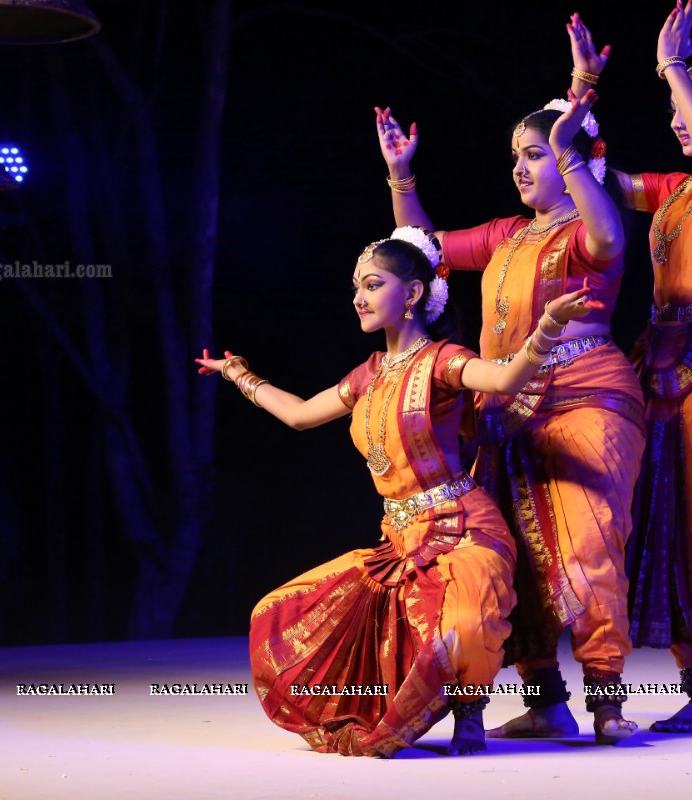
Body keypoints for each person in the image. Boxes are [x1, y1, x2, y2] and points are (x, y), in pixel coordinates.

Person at [195, 226, 600, 756]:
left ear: (411, 295)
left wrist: (548, 325)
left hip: (464, 533)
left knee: (463, 620)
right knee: (283, 611)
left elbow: (502, 382)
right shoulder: (367, 374)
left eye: (372, 284)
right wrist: (240, 376)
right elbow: (298, 416)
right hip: (400, 542)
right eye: (355, 288)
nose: (358, 298)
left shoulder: (442, 361)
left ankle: (470, 714)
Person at [374, 91, 646, 744]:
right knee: (516, 558)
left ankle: (607, 702)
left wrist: (570, 157)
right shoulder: (507, 233)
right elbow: (420, 248)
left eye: (536, 156)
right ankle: (547, 701)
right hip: (504, 411)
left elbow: (608, 237)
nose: (521, 168)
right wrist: (402, 175)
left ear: (574, 162)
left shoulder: (586, 226)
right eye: (516, 157)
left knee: (587, 546)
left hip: (586, 398)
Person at [566, 2, 692, 732]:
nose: (680, 119)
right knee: (671, 520)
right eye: (675, 107)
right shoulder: (672, 189)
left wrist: (672, 64)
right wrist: (582, 84)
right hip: (657, 360)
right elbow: (590, 171)